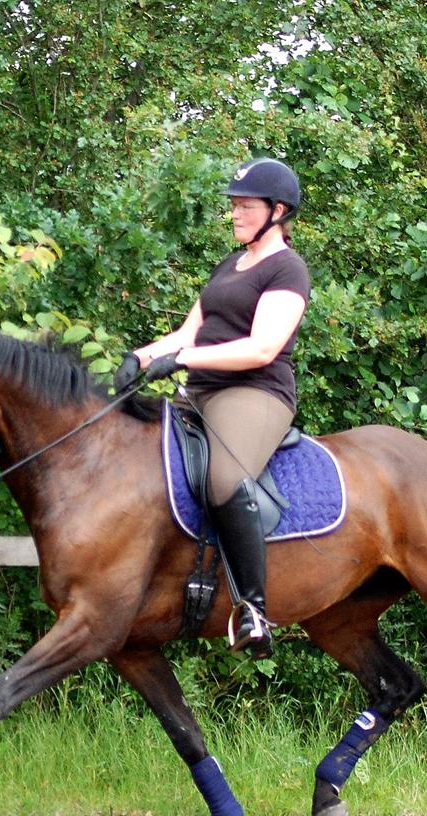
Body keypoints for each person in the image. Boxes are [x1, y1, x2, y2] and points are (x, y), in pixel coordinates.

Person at [113, 157, 311, 657]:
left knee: (224, 478)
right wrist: (140, 357)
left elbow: (262, 347)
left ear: (277, 211)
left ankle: (253, 609)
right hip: (199, 391)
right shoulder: (230, 264)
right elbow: (187, 333)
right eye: (234, 205)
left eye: (245, 206)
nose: (235, 214)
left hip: (255, 393)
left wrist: (182, 360)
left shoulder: (288, 269)